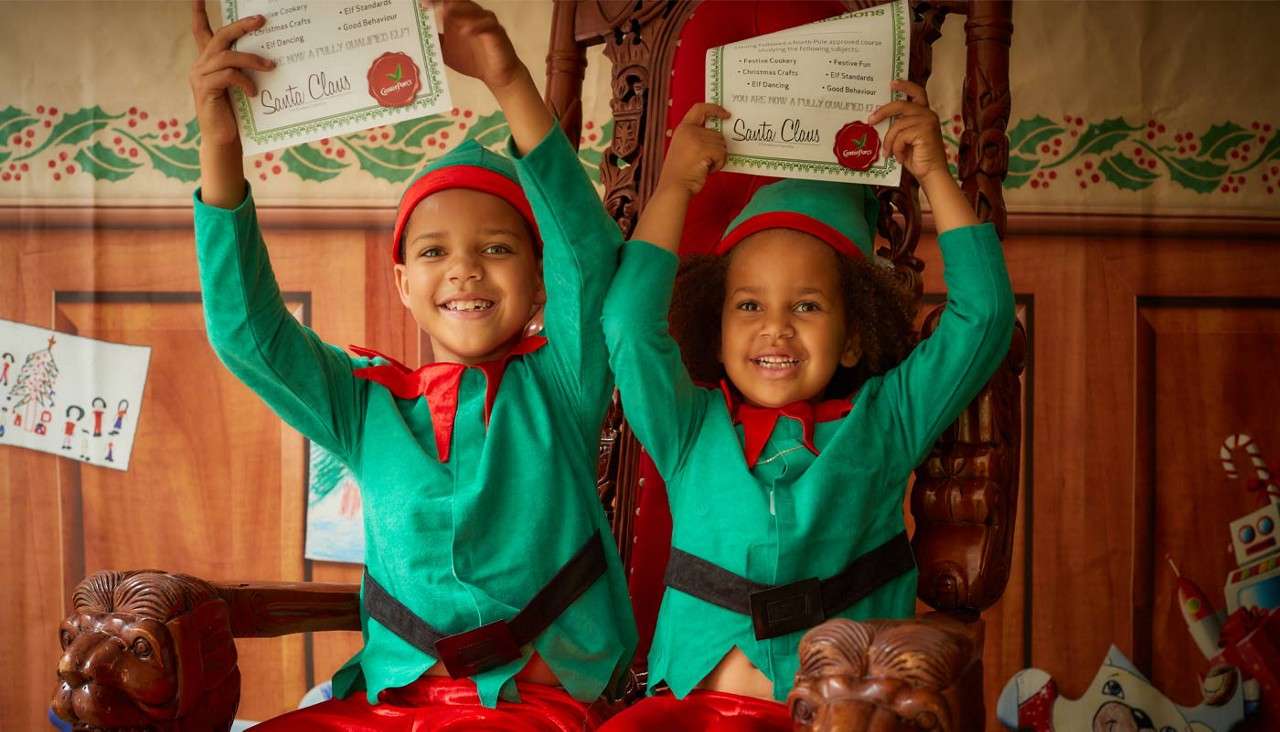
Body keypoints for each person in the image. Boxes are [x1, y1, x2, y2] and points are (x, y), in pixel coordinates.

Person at [187, 0, 635, 728]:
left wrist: (507, 76)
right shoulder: (364, 404)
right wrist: (218, 139)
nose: (464, 271)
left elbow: (589, 253)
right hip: (387, 701)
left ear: (540, 275)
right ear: (402, 282)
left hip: (532, 704)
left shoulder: (563, 382)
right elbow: (247, 335)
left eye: (497, 248)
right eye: (433, 252)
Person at [598, 87, 1016, 730]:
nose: (776, 329)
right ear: (715, 327)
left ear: (854, 334)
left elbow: (983, 316)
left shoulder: (890, 418)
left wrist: (933, 170)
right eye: (749, 305)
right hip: (696, 711)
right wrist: (676, 186)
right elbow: (628, 323)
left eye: (807, 306)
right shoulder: (687, 426)